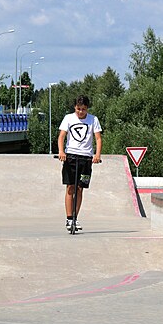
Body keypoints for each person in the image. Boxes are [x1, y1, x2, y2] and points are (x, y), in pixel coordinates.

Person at [57, 95, 102, 231]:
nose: (80, 112)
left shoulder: (93, 119)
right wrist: (61, 152)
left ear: (87, 108)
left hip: (86, 158)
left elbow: (98, 138)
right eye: (78, 109)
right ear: (74, 107)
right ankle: (69, 219)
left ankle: (75, 218)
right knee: (70, 187)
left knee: (80, 188)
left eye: (83, 109)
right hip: (70, 156)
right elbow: (61, 136)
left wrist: (97, 155)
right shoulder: (68, 118)